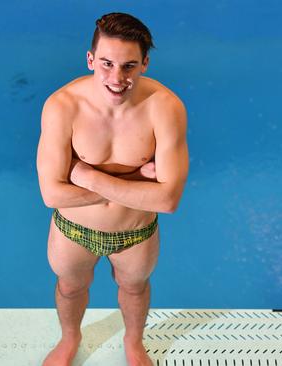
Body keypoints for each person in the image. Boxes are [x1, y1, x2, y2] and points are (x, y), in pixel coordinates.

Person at [36, 12, 188, 366]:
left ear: (145, 64)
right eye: (106, 64)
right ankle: (70, 338)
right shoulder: (62, 106)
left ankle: (134, 343)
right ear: (90, 59)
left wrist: (90, 177)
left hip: (136, 233)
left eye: (129, 66)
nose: (117, 78)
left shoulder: (166, 108)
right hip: (73, 231)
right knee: (71, 288)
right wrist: (137, 180)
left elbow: (168, 200)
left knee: (134, 287)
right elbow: (51, 195)